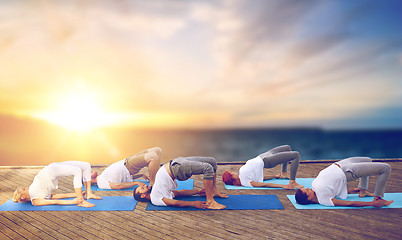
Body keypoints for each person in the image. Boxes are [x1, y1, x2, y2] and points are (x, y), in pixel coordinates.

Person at [133, 156, 228, 209]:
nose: (144, 185)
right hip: (176, 168)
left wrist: (198, 191)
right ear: (142, 196)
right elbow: (174, 202)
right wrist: (193, 203)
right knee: (208, 168)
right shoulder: (155, 199)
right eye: (142, 188)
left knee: (212, 161)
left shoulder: (156, 191)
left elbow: (179, 193)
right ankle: (210, 201)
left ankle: (214, 192)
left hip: (175, 163)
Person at [295, 157, 393, 207]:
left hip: (340, 164)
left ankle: (363, 191)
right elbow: (349, 203)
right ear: (309, 197)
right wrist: (371, 204)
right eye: (306, 190)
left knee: (368, 160)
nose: (308, 188)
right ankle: (378, 199)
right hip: (347, 171)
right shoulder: (324, 200)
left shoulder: (315, 188)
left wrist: (354, 190)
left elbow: (334, 189)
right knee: (385, 168)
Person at [13, 161, 102, 207]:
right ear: (23, 197)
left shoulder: (35, 192)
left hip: (51, 168)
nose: (27, 187)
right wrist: (73, 201)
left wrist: (75, 194)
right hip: (50, 172)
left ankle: (89, 193)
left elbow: (55, 196)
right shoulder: (35, 201)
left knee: (86, 165)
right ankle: (81, 201)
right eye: (24, 189)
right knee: (77, 171)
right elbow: (54, 200)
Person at [222, 145, 303, 189]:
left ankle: (284, 173)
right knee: (295, 155)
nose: (233, 172)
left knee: (287, 148)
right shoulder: (245, 183)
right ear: (232, 178)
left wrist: (275, 176)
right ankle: (292, 182)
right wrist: (283, 186)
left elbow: (260, 178)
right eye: (231, 173)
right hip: (267, 161)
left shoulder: (241, 175)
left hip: (262, 156)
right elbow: (263, 184)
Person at [91, 147, 162, 189]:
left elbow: (123, 178)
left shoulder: (102, 176)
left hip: (127, 160)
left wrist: (140, 175)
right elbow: (118, 186)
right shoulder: (101, 183)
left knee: (157, 150)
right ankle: (153, 185)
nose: (90, 172)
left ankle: (158, 177)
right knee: (153, 157)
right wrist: (136, 183)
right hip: (129, 165)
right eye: (89, 174)